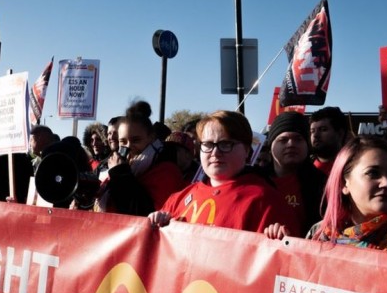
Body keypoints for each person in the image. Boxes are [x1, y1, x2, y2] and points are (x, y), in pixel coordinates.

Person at [148, 110, 299, 235]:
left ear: (247, 150)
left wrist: (279, 238)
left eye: (226, 144)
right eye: (207, 144)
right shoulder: (180, 197)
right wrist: (155, 222)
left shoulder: (266, 201)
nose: (215, 152)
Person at [94, 100, 185, 215]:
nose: (128, 146)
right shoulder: (121, 167)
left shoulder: (167, 171)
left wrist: (120, 174)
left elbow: (145, 214)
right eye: (123, 141)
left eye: (136, 140)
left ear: (151, 137)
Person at [266, 112, 327, 235]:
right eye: (283, 140)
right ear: (271, 145)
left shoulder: (324, 184)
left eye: (298, 139)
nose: (291, 144)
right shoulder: (254, 180)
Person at [309, 106, 348, 175]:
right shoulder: (302, 171)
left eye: (323, 129)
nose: (315, 135)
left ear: (340, 134)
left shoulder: (354, 169)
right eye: (312, 131)